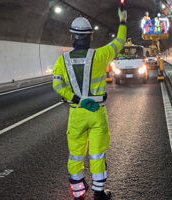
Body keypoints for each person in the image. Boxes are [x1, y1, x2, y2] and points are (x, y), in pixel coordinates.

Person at [52, 7, 127, 200]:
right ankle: (99, 193)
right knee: (97, 154)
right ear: (91, 36)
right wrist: (123, 21)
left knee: (76, 155)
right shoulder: (100, 55)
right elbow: (119, 43)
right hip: (96, 113)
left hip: (76, 114)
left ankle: (78, 194)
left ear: (72, 38)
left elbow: (57, 85)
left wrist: (77, 99)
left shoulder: (62, 60)